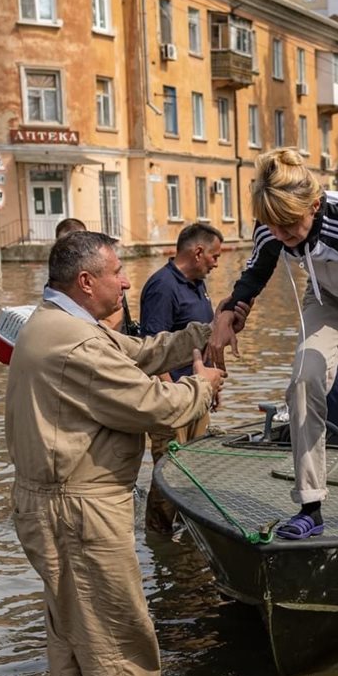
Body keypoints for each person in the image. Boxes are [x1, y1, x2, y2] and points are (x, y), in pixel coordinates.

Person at [6, 231, 225, 676]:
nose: (128, 281)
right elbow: (153, 406)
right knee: (118, 636)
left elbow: (139, 351)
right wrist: (204, 386)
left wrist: (203, 333)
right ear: (86, 282)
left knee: (74, 634)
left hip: (53, 503)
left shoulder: (56, 323)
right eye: (117, 272)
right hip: (78, 509)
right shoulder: (77, 342)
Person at [204, 148, 338, 539]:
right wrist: (229, 315)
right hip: (327, 299)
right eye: (275, 229)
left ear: (315, 205)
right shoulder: (272, 228)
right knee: (303, 384)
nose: (284, 237)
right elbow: (253, 276)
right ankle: (310, 506)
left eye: (291, 226)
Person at [140, 222, 225, 533]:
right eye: (214, 256)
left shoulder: (197, 284)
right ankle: (158, 536)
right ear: (198, 251)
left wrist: (213, 386)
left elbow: (206, 342)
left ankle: (188, 532)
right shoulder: (162, 286)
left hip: (197, 395)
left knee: (195, 468)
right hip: (173, 400)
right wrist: (174, 397)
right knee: (170, 471)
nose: (217, 262)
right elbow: (152, 350)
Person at [51, 217, 136, 334]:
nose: (70, 250)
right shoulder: (56, 282)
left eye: (77, 243)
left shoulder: (109, 278)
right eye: (64, 246)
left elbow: (112, 327)